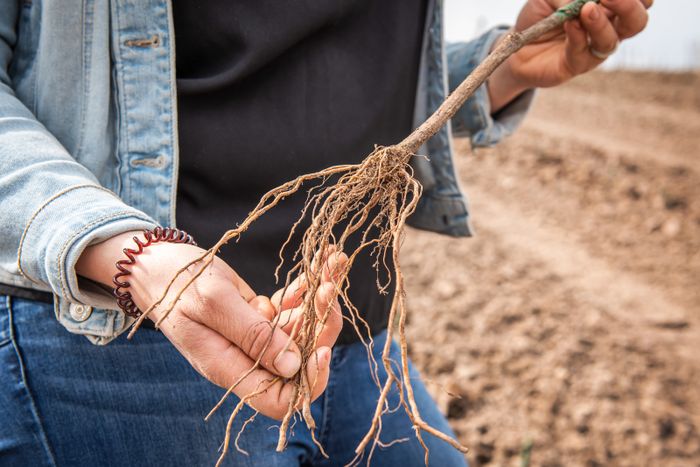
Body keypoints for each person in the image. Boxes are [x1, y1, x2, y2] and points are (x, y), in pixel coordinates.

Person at [0, 0, 650, 465]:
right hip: (127, 349)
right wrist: (127, 251)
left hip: (358, 338)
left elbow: (359, 71)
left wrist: (503, 66)